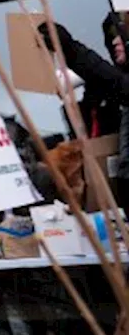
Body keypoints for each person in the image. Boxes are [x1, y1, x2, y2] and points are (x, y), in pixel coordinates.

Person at [37, 16, 129, 206]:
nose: (115, 41)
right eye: (112, 36)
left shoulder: (119, 87)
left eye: (122, 35)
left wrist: (69, 49)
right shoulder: (109, 93)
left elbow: (116, 83)